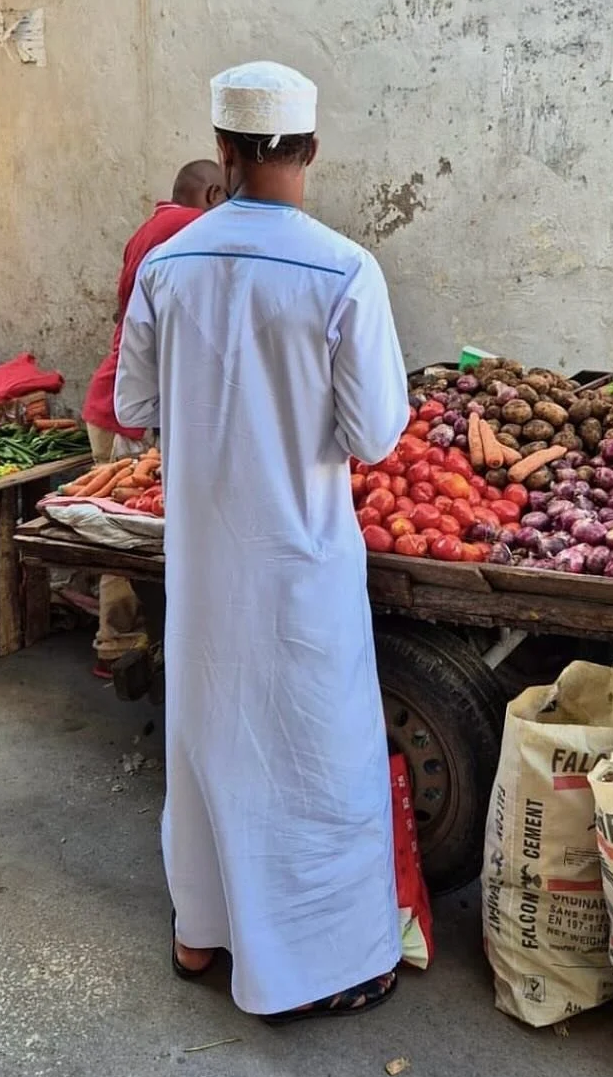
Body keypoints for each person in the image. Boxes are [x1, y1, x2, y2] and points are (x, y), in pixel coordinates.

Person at [115, 61, 409, 1023]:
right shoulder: (344, 270)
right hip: (301, 567)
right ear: (311, 149)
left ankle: (199, 932)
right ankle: (318, 964)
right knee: (316, 756)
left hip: (205, 565)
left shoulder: (167, 265)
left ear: (225, 149)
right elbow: (374, 434)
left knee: (208, 744)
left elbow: (135, 405)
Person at [81, 160, 225, 664]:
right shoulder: (191, 230)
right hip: (129, 408)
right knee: (125, 534)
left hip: (115, 398)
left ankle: (125, 638)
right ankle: (117, 644)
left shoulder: (150, 229)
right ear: (213, 194)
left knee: (122, 525)